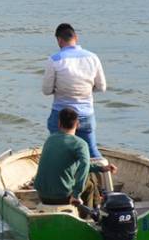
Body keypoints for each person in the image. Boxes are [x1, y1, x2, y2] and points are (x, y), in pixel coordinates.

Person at [42, 23, 107, 158]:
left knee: (56, 152)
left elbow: (47, 90)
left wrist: (59, 89)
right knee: (92, 151)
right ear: (76, 37)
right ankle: (105, 175)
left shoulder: (54, 59)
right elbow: (102, 87)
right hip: (85, 114)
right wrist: (87, 88)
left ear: (59, 40)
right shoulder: (92, 57)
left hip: (61, 116)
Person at [34, 107, 117, 206]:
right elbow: (84, 166)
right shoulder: (80, 144)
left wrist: (101, 168)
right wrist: (76, 194)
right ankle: (90, 215)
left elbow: (78, 165)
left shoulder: (50, 139)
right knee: (90, 182)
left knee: (86, 173)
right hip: (63, 196)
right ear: (77, 124)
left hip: (42, 195)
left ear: (59, 123)